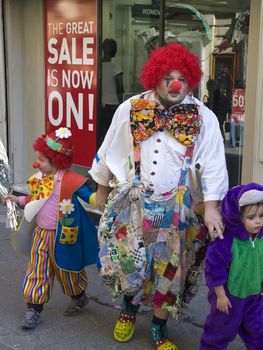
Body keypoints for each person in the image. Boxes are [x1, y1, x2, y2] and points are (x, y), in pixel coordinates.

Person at [90, 42, 228, 349]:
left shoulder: (203, 118)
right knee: (129, 264)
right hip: (133, 205)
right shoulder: (132, 109)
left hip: (179, 211)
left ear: (191, 79)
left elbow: (215, 165)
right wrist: (101, 188)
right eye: (168, 77)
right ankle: (127, 311)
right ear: (156, 77)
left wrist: (212, 207)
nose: (175, 84)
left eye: (181, 77)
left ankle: (158, 325)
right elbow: (109, 147)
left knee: (170, 273)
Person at [6, 127, 98, 329]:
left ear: (56, 160)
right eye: (37, 158)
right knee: (37, 270)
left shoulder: (71, 180)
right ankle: (33, 308)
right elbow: (35, 199)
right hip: (41, 234)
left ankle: (79, 296)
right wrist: (18, 199)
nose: (37, 163)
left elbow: (89, 198)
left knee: (69, 271)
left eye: (42, 160)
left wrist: (103, 197)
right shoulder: (40, 179)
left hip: (64, 236)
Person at [199, 183, 263, 349]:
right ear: (238, 217)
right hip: (228, 298)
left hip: (254, 295)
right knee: (220, 331)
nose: (258, 222)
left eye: (261, 216)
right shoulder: (226, 241)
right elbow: (214, 269)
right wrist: (220, 295)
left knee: (258, 330)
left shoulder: (261, 238)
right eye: (251, 217)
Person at [101, 38, 124, 141]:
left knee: (103, 135)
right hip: (113, 106)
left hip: (101, 107)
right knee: (112, 136)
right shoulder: (116, 69)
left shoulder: (97, 68)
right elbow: (120, 90)